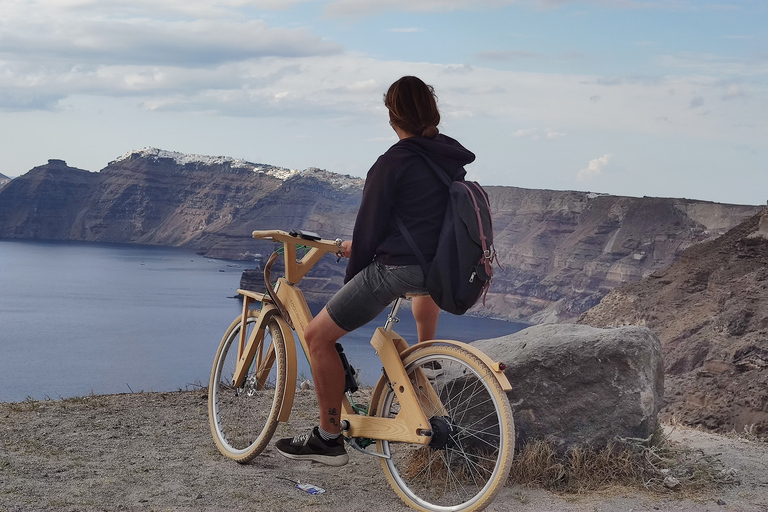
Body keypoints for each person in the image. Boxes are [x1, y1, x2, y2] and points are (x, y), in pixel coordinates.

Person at [274, 76, 475, 466]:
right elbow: (423, 220)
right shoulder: (448, 161)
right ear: (432, 114)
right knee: (405, 295)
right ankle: (424, 357)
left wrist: (352, 280)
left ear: (391, 116)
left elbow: (368, 231)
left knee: (317, 336)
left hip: (396, 270)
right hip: (437, 271)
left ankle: (329, 438)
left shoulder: (391, 163)